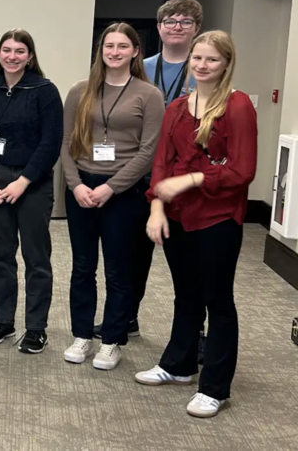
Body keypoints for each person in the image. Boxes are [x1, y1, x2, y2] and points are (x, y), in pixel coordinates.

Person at [136, 30, 256, 418]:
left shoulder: (236, 107)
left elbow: (242, 171)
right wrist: (156, 207)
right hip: (178, 217)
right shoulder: (177, 108)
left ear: (226, 64)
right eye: (198, 59)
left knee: (217, 301)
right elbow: (161, 165)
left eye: (212, 60)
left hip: (217, 217)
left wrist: (190, 180)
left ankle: (216, 388)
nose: (202, 66)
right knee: (185, 295)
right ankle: (178, 365)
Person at [97, 0, 206, 351]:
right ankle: (127, 315)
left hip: (186, 180)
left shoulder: (204, 69)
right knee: (133, 253)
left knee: (189, 260)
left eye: (185, 21)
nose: (177, 26)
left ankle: (195, 332)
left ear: (196, 29)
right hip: (142, 177)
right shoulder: (141, 67)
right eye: (170, 21)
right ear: (158, 28)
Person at [60, 22, 165, 370]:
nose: (115, 52)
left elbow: (148, 151)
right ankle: (82, 335)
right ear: (100, 50)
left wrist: (111, 187)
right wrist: (76, 185)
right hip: (83, 189)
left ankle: (112, 340)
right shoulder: (80, 91)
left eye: (123, 46)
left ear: (135, 51)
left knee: (119, 271)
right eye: (109, 46)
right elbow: (66, 144)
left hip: (124, 192)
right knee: (82, 267)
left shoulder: (148, 95)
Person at [0, 29, 63, 353]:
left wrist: (23, 181)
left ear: (30, 56)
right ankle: (4, 320)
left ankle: (36, 328)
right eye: (7, 50)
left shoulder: (45, 91)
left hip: (33, 184)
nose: (13, 56)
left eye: (20, 51)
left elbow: (50, 144)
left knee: (36, 258)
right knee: (1, 256)